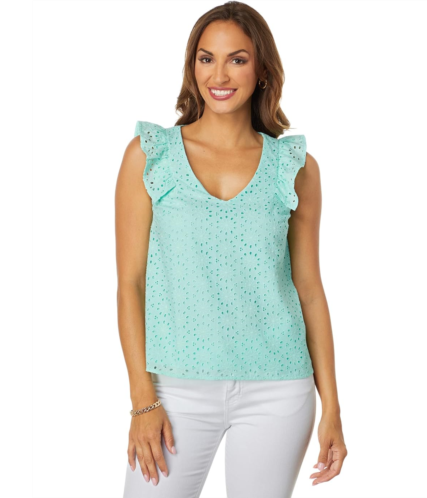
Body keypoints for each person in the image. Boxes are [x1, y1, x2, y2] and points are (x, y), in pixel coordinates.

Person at [115, 2, 347, 497]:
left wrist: (332, 407)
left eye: (237, 59)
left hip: (279, 389)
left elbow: (309, 289)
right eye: (206, 58)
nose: (218, 75)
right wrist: (142, 399)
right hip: (173, 390)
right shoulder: (151, 155)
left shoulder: (294, 166)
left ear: (261, 70)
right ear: (192, 66)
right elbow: (130, 283)